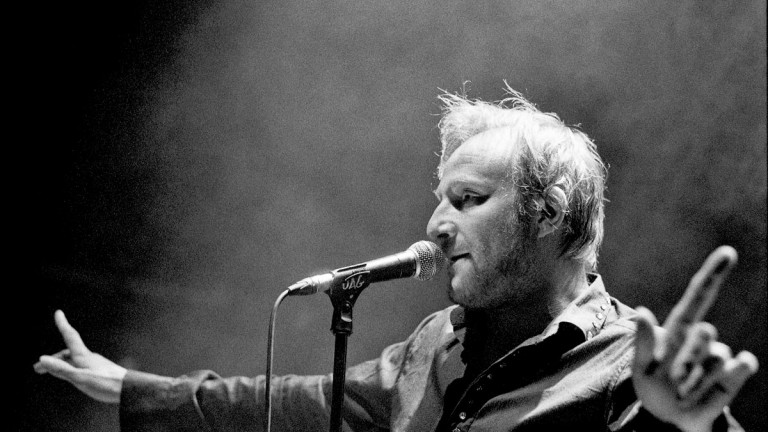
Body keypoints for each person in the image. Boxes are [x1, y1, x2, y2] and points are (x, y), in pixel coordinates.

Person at [34, 85, 759, 432]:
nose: (436, 224)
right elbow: (282, 401)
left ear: (549, 211)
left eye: (468, 199)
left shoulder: (627, 366)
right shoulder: (432, 348)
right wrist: (135, 387)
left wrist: (686, 425)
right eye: (440, 199)